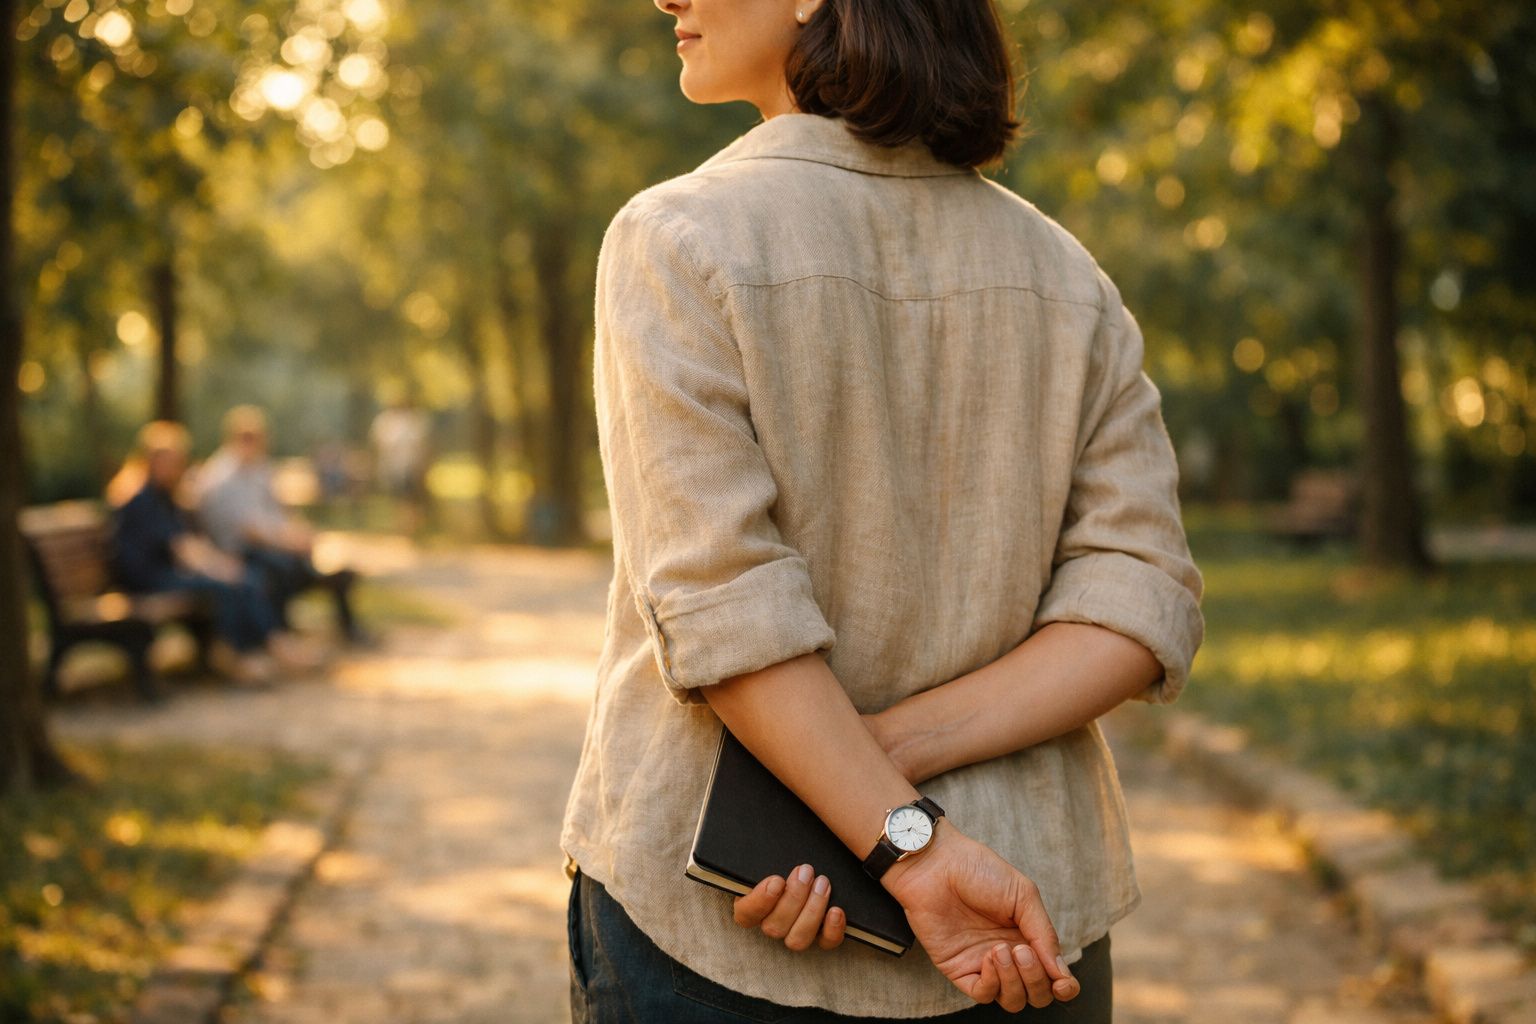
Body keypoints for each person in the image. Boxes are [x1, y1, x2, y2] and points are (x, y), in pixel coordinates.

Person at [560, 0, 1207, 1020]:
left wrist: (859, 814)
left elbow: (724, 606)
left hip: (724, 921)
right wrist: (890, 793)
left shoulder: (676, 239)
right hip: (1026, 933)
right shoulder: (1069, 278)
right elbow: (1137, 601)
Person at [108, 421, 324, 686]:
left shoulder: (162, 495)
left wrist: (222, 565)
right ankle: (239, 654)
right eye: (169, 462)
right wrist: (221, 567)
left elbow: (185, 542)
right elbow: (181, 548)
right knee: (232, 581)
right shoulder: (142, 498)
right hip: (146, 581)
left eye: (177, 462)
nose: (175, 468)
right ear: (150, 460)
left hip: (165, 573)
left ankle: (259, 648)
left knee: (246, 577)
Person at [194, 406, 369, 647]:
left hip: (267, 546)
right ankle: (276, 634)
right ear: (232, 438)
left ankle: (338, 629)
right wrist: (288, 542)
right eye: (246, 437)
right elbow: (248, 531)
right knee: (282, 566)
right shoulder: (222, 476)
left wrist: (301, 535)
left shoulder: (259, 470)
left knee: (321, 564)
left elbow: (280, 513)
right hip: (239, 551)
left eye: (257, 437)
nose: (253, 443)